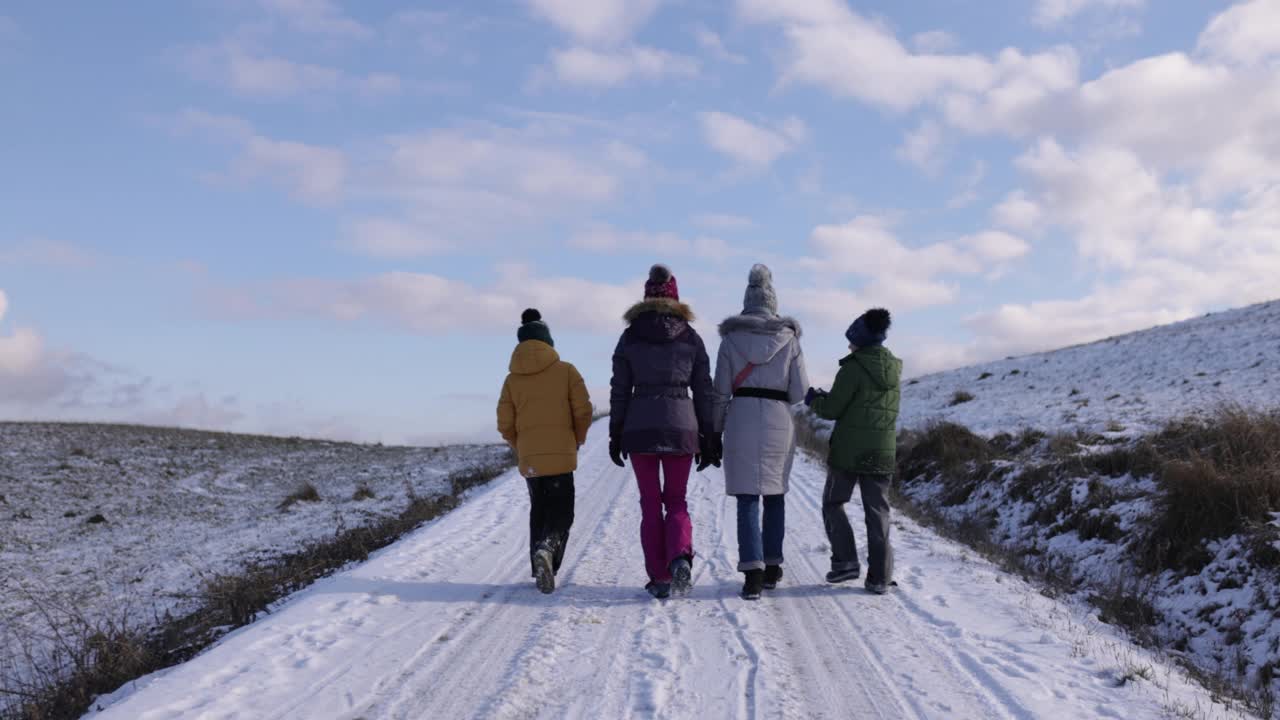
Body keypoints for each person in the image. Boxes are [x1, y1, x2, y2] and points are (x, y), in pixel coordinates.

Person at [609, 264, 717, 599]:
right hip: (681, 428)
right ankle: (680, 556)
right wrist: (710, 436)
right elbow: (703, 389)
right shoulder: (690, 336)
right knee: (677, 500)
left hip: (640, 428)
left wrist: (616, 432)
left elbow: (620, 389)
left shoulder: (629, 337)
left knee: (650, 504)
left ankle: (659, 576)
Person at [712, 265, 808, 600]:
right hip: (778, 421)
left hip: (741, 418)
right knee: (775, 493)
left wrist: (714, 430)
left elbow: (721, 390)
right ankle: (773, 566)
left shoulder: (730, 340)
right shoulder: (789, 339)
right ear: (773, 303)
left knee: (747, 497)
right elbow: (799, 392)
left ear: (746, 302)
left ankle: (751, 573)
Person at [804, 308, 901, 595]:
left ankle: (846, 562)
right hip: (883, 450)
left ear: (860, 340)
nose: (849, 346)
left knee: (833, 502)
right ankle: (880, 577)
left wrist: (814, 399)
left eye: (851, 340)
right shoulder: (894, 369)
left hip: (848, 452)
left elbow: (833, 409)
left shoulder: (853, 368)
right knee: (878, 511)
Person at [497, 309, 593, 595]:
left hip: (530, 458)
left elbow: (504, 424)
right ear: (548, 341)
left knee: (539, 508)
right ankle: (547, 548)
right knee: (562, 511)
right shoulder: (566, 371)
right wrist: (577, 437)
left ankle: (539, 559)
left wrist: (521, 446)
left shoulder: (511, 380)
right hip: (561, 453)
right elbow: (584, 410)